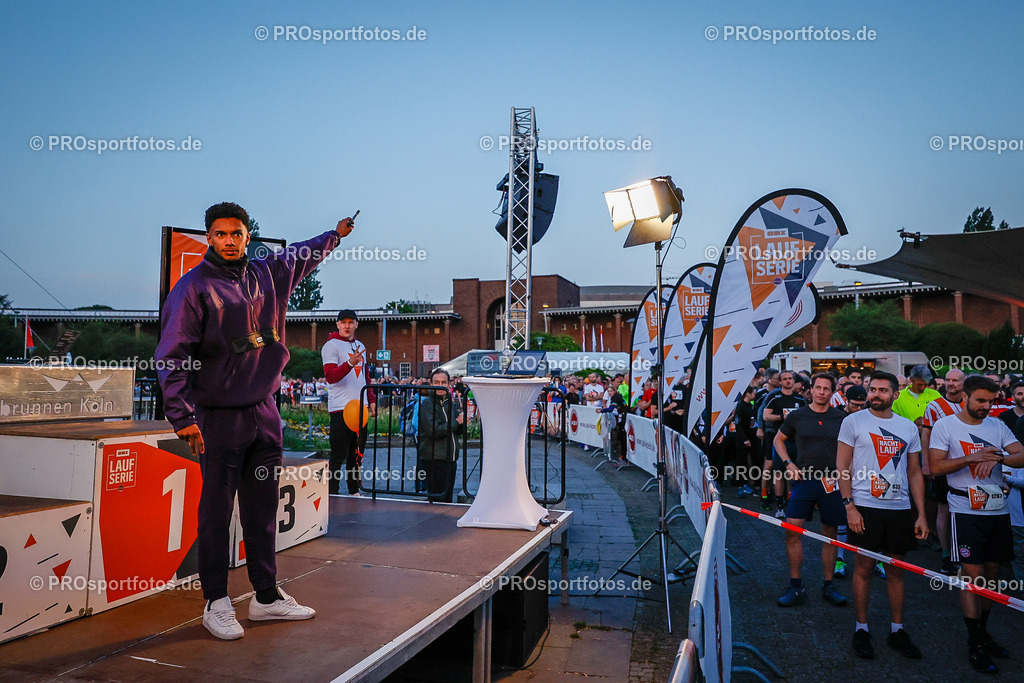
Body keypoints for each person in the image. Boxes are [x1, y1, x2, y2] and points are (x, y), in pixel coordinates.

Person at [156, 201, 354, 640]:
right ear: (209, 237)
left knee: (262, 511)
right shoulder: (192, 288)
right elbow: (171, 357)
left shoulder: (268, 273)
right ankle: (216, 602)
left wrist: (335, 236)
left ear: (248, 236)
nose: (229, 240)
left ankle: (266, 598)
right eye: (220, 234)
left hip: (265, 412)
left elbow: (302, 254)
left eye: (237, 233)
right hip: (218, 417)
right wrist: (182, 415)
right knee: (216, 511)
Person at [928, 374, 1024, 673]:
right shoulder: (946, 426)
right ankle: (974, 642)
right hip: (964, 509)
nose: (986, 406)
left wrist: (998, 459)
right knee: (972, 575)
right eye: (981, 400)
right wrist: (973, 457)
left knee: (993, 575)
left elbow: (1021, 454)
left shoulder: (997, 425)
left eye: (991, 401)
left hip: (997, 510)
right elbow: (935, 467)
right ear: (965, 397)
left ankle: (983, 634)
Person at [837, 371, 928, 660]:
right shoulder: (852, 421)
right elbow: (842, 466)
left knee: (896, 571)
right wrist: (849, 505)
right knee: (863, 569)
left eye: (883, 390)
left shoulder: (908, 428)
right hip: (864, 507)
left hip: (899, 509)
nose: (876, 394)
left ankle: (897, 629)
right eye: (872, 389)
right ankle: (861, 628)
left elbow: (914, 472)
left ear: (895, 395)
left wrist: (921, 514)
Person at [773, 373, 848, 607]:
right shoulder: (798, 415)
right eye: (818, 388)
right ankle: (796, 586)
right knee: (792, 531)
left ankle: (828, 585)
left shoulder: (841, 418)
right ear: (811, 390)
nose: (822, 392)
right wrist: (789, 463)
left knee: (830, 534)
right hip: (804, 481)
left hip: (831, 483)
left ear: (832, 392)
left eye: (827, 388)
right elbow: (778, 440)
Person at [322, 309, 376, 495]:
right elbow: (330, 376)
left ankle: (354, 491)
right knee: (338, 455)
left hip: (360, 408)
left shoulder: (360, 345)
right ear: (337, 324)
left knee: (357, 455)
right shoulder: (331, 346)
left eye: (350, 322)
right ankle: (332, 492)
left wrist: (372, 399)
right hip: (340, 408)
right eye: (343, 322)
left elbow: (366, 377)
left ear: (356, 324)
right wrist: (350, 363)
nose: (347, 326)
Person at [920, 368, 965, 575]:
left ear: (964, 382)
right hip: (943, 465)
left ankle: (964, 554)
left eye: (955, 380)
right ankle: (947, 556)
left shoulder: (971, 402)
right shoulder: (935, 406)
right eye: (948, 380)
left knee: (965, 511)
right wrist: (926, 463)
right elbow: (926, 434)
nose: (951, 383)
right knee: (943, 510)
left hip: (967, 466)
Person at [761, 370, 807, 518]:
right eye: (785, 379)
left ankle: (792, 502)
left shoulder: (800, 400)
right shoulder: (775, 397)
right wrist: (782, 416)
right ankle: (779, 506)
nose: (788, 381)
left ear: (794, 381)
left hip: (796, 441)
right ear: (780, 382)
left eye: (790, 379)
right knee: (779, 473)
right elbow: (765, 415)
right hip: (780, 440)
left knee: (794, 473)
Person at [833, 384, 867, 579]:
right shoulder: (836, 417)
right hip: (843, 473)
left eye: (863, 405)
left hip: (864, 473)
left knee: (868, 519)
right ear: (846, 401)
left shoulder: (868, 416)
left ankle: (876, 559)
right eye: (855, 405)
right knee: (842, 518)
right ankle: (840, 559)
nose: (859, 409)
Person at [418, 368, 464, 502]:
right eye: (437, 382)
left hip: (450, 458)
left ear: (448, 384)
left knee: (447, 499)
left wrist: (463, 421)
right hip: (435, 458)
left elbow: (457, 430)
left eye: (443, 382)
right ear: (431, 384)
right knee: (438, 500)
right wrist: (456, 422)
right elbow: (433, 431)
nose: (440, 385)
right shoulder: (427, 404)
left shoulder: (450, 403)